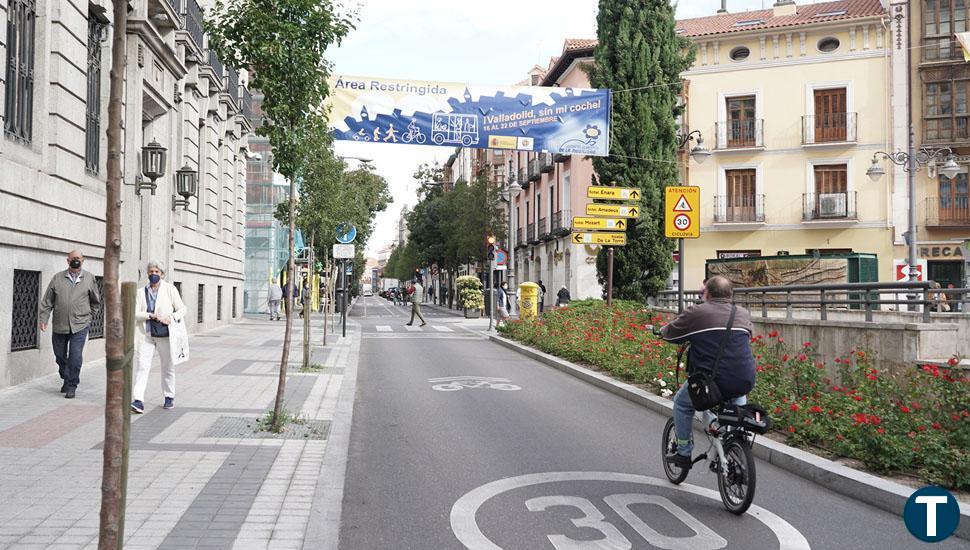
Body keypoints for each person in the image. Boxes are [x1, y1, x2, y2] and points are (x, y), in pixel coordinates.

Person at [658, 276, 756, 470]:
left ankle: (684, 452)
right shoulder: (742, 313)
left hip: (711, 381)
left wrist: (660, 331)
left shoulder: (698, 312)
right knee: (736, 398)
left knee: (682, 404)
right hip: (744, 378)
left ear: (707, 294)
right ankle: (734, 446)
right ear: (730, 295)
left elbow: (671, 333)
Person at [38, 250, 101, 398]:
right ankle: (66, 377)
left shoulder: (89, 278)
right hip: (60, 324)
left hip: (80, 325)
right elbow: (47, 301)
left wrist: (89, 317)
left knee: (75, 355)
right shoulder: (58, 278)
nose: (75, 261)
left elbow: (95, 302)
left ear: (83, 260)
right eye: (73, 258)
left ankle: (72, 385)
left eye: (78, 258)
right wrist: (43, 319)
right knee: (59, 355)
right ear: (68, 261)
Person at [131, 261, 187, 413]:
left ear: (162, 274)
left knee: (167, 366)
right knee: (142, 367)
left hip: (165, 335)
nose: (153, 274)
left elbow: (182, 309)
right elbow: (134, 313)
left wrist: (171, 317)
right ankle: (138, 400)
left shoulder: (170, 289)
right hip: (146, 335)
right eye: (151, 271)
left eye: (156, 271)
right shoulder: (140, 292)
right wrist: (149, 315)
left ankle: (169, 397)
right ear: (147, 274)